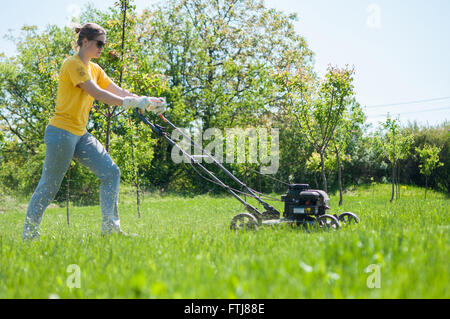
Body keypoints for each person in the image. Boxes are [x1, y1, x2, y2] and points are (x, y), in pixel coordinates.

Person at [22, 22, 166, 240]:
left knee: (111, 172)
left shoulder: (96, 69)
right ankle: (29, 235)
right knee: (49, 185)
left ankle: (110, 230)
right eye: (99, 43)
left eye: (104, 44)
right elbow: (98, 93)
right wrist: (130, 103)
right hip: (61, 132)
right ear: (85, 41)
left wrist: (146, 102)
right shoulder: (73, 64)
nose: (102, 48)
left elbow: (116, 90)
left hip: (80, 134)